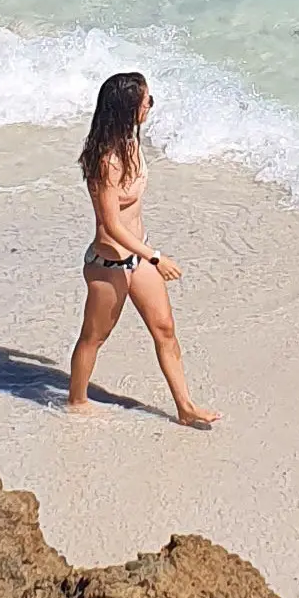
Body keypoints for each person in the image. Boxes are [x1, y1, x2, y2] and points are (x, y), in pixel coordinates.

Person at [67, 71, 220, 428]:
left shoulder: (132, 145)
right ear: (128, 108)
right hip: (108, 263)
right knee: (94, 337)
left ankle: (185, 406)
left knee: (164, 329)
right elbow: (111, 225)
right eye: (146, 100)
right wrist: (156, 257)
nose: (151, 105)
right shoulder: (106, 160)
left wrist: (147, 254)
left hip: (139, 255)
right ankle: (76, 400)